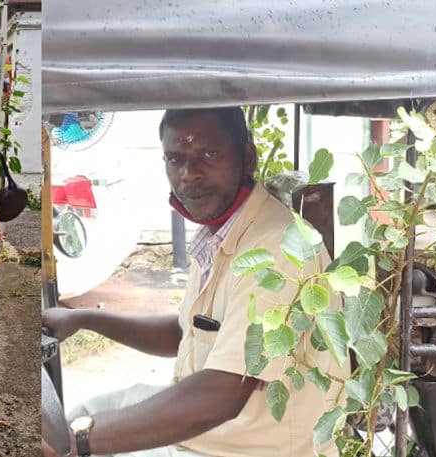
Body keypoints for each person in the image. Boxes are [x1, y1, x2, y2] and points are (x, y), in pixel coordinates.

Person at [42, 107, 348, 457]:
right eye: (176, 158)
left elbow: (222, 394)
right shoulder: (223, 235)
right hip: (213, 430)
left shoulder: (278, 248)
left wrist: (82, 444)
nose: (189, 174)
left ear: (248, 158)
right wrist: (86, 319)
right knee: (83, 414)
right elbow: (187, 332)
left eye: (209, 154)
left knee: (76, 435)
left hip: (249, 447)